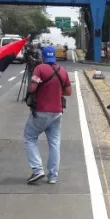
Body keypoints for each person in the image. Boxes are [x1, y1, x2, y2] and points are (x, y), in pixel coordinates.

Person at [24, 45, 72, 185]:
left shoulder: (40, 69)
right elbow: (68, 92)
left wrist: (37, 85)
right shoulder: (62, 71)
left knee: (29, 137)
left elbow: (32, 88)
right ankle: (53, 176)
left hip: (41, 112)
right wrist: (55, 91)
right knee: (54, 143)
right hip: (57, 112)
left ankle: (37, 169)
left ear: (43, 56)